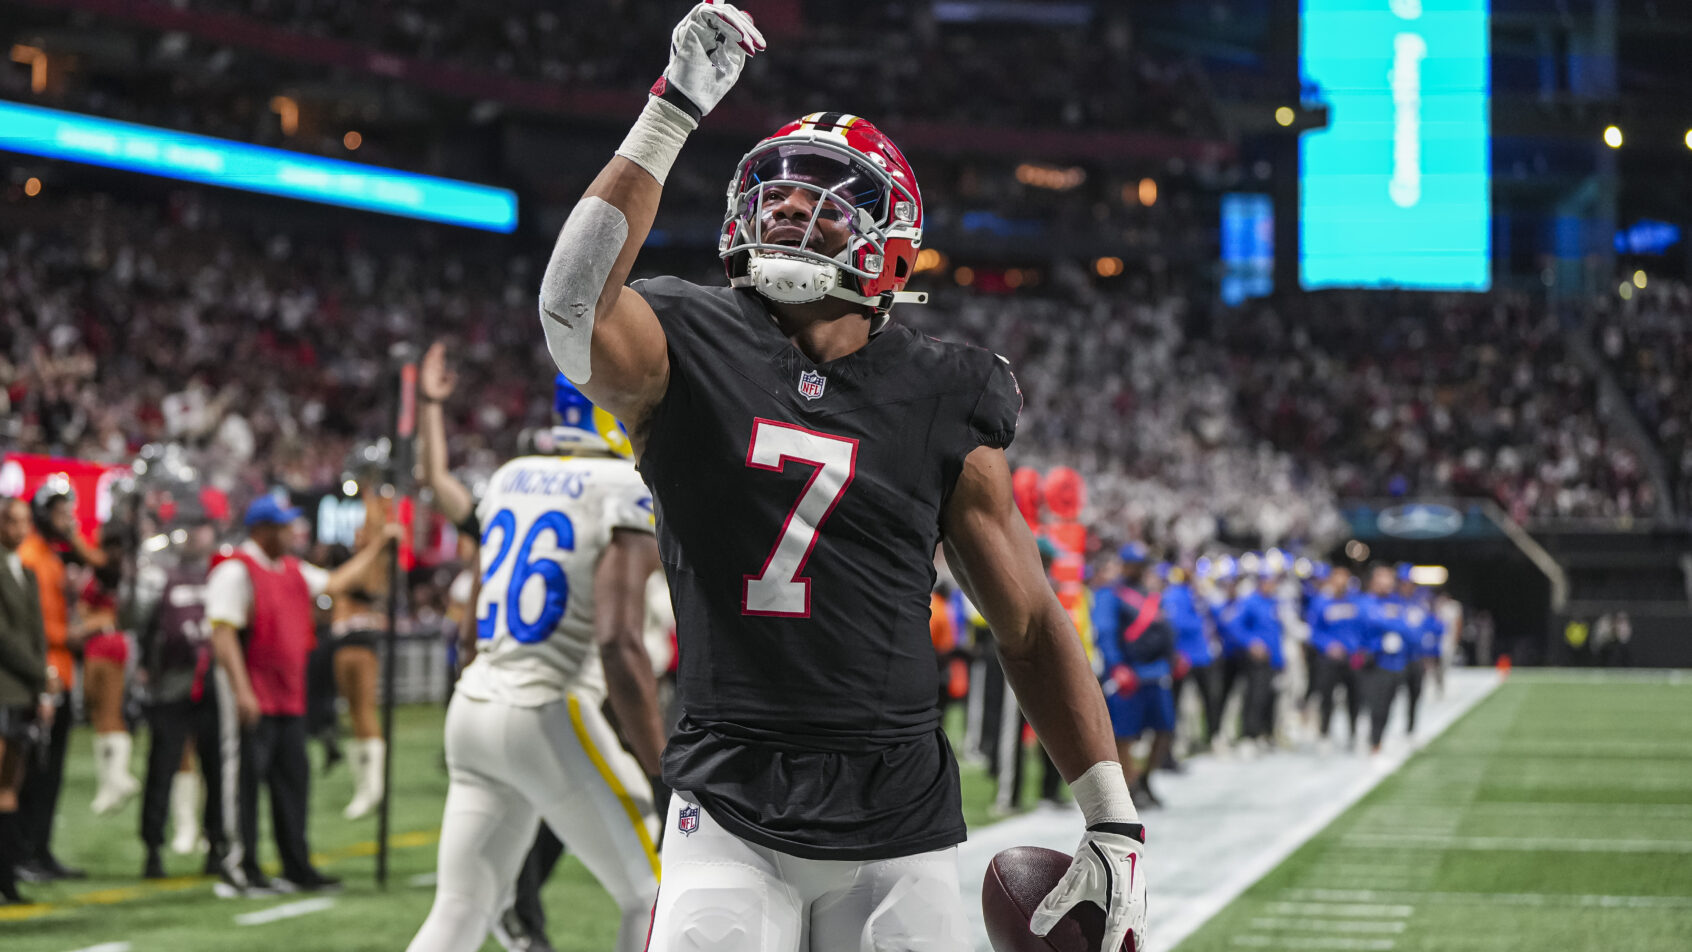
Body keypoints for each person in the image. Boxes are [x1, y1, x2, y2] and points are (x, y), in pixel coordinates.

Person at [534, 5, 1149, 949]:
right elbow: (570, 308)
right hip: (729, 797)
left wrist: (1112, 817)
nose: (788, 204)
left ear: (890, 232)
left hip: (897, 812)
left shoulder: (944, 388)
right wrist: (670, 112)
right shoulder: (688, 340)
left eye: (826, 193)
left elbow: (1025, 623)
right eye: (775, 189)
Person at [405, 373, 668, 952]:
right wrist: (660, 766)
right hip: (549, 707)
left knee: (459, 909)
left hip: (474, 705)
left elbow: (472, 628)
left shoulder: (510, 476)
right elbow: (618, 639)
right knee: (657, 893)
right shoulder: (623, 486)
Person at [414, 340, 573, 952]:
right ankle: (518, 914)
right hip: (511, 679)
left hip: (554, 679)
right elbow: (435, 479)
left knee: (556, 818)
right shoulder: (507, 503)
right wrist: (430, 407)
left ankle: (513, 908)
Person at [206, 494, 396, 896]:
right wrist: (242, 691)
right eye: (282, 525)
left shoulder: (291, 569)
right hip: (254, 694)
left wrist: (377, 547)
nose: (292, 532)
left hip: (288, 695)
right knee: (243, 783)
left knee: (293, 781)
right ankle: (240, 866)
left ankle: (296, 865)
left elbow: (336, 582)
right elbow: (223, 636)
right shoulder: (236, 572)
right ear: (261, 530)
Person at [14, 480, 103, 882]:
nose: (67, 521)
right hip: (41, 675)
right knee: (33, 773)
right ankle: (24, 853)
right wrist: (86, 630)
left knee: (50, 775)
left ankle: (40, 849)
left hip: (60, 674)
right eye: (60, 513)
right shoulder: (32, 558)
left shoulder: (49, 557)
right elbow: (35, 630)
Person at [136, 518, 229, 879]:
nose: (195, 533)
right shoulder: (158, 575)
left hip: (212, 686)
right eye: (189, 527)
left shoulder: (221, 574)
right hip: (170, 686)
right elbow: (137, 623)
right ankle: (153, 849)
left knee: (217, 770)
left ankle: (216, 844)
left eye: (202, 526)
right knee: (162, 769)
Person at [1091, 544, 1179, 807]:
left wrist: (1171, 657)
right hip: (1128, 674)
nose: (1139, 569)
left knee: (1165, 729)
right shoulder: (1111, 595)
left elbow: (1165, 629)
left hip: (1156, 672)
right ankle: (1128, 787)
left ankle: (1146, 780)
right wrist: (1117, 666)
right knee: (1125, 734)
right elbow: (1106, 633)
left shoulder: (1152, 595)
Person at [0, 497, 53, 904]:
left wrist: (42, 685)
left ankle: (8, 875)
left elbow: (36, 631)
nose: (21, 529)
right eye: (12, 521)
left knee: (10, 787)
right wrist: (41, 673)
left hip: (23, 690)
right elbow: (5, 637)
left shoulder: (27, 572)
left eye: (24, 521)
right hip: (5, 687)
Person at [331, 486, 392, 821]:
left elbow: (380, 528)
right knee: (353, 713)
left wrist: (372, 494)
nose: (358, 535)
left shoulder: (377, 562)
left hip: (363, 639)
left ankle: (374, 787)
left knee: (365, 711)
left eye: (362, 531)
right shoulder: (355, 562)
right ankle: (364, 787)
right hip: (342, 640)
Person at [77, 525, 140, 815]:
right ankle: (109, 784)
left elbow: (97, 613)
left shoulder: (122, 572)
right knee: (100, 714)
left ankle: (118, 778)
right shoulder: (110, 574)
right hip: (101, 645)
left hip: (110, 644)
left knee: (109, 712)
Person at [1221, 564, 1284, 753]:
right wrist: (1251, 643)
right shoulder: (1249, 602)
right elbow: (1232, 624)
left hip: (1273, 660)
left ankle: (1263, 734)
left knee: (1268, 698)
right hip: (1257, 661)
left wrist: (1281, 660)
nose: (1271, 585)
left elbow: (1276, 633)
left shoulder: (1274, 603)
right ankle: (1247, 736)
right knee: (1254, 697)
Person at [1357, 564, 1416, 754]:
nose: (1386, 583)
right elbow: (1372, 621)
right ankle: (1372, 740)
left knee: (1389, 705)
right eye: (1382, 578)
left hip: (1396, 662)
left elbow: (1407, 627)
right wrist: (1391, 627)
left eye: (1389, 578)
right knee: (1375, 705)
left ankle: (1378, 740)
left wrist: (1392, 625)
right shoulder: (1365, 601)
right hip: (1374, 661)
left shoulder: (1397, 602)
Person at [1304, 565, 1364, 751]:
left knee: (1354, 697)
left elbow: (1362, 629)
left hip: (1352, 657)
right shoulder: (1320, 602)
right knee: (1326, 697)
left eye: (1344, 578)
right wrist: (1328, 645)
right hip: (1328, 659)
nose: (1341, 582)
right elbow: (1313, 632)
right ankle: (1324, 734)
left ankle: (1353, 734)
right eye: (1338, 578)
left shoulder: (1355, 602)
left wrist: (1359, 648)